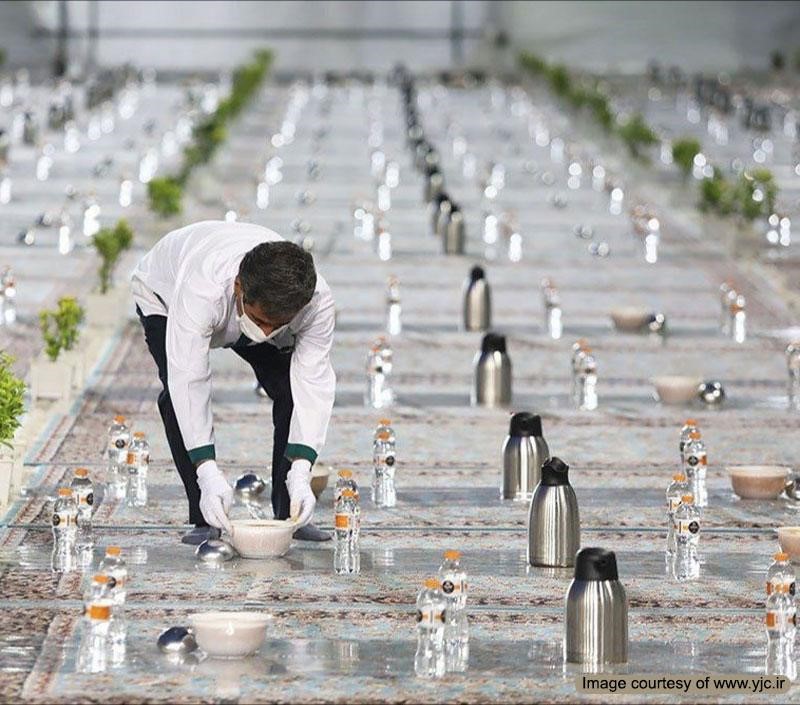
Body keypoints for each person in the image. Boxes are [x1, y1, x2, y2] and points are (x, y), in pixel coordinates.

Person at [131, 220, 335, 544]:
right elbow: (190, 380)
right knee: (176, 393)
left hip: (247, 303)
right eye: (261, 322)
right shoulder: (201, 289)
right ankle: (204, 515)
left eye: (277, 326)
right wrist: (207, 472)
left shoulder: (314, 301)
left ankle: (289, 514)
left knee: (292, 392)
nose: (266, 334)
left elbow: (313, 381)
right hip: (165, 295)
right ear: (239, 288)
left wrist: (301, 471)